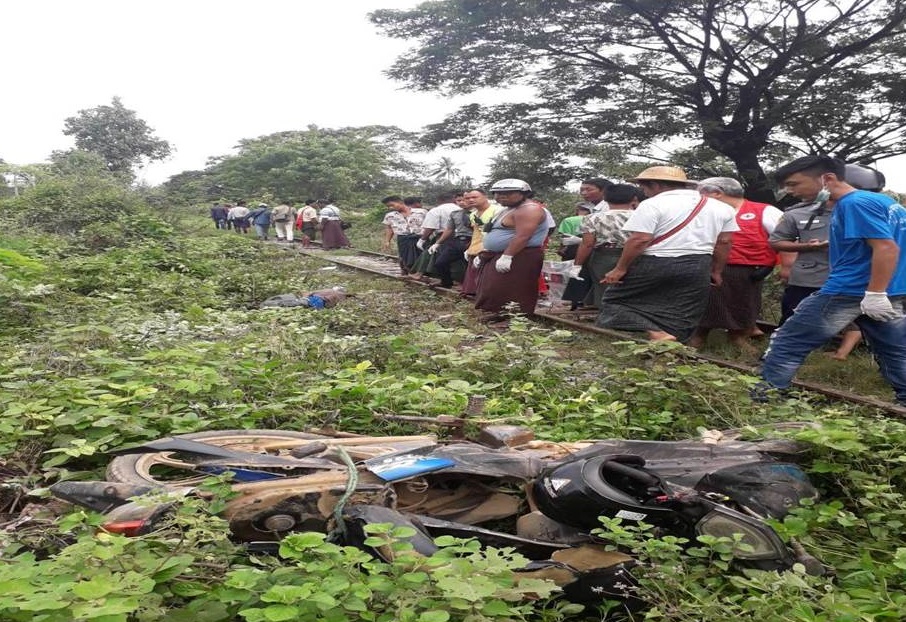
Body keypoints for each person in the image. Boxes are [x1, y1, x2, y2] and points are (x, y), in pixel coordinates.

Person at [758, 156, 906, 406]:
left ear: (827, 178)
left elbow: (886, 247)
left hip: (849, 290)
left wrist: (875, 293)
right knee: (895, 349)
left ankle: (765, 397)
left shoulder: (854, 203)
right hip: (888, 290)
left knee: (788, 341)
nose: (790, 191)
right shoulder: (884, 202)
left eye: (794, 184)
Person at [596, 166, 738, 342]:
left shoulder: (652, 204)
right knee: (684, 310)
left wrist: (620, 269)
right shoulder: (721, 207)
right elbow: (724, 242)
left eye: (644, 187)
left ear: (655, 185)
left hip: (655, 262)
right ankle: (674, 347)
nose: (643, 192)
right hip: (699, 264)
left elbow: (640, 239)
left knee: (614, 302)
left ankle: (657, 333)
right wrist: (716, 271)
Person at [767, 163, 884, 360]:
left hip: (857, 280)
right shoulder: (799, 213)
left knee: (866, 323)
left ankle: (851, 355)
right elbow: (776, 241)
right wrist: (807, 247)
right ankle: (775, 359)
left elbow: (887, 247)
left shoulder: (875, 211)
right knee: (791, 319)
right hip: (810, 278)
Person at [689, 177, 787, 349]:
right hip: (710, 265)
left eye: (702, 193)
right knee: (707, 302)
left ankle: (738, 336)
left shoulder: (764, 211)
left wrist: (783, 266)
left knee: (744, 303)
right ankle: (698, 336)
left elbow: (786, 238)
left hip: (749, 269)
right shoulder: (704, 212)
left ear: (717, 193)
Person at [473, 179, 548, 319]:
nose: (502, 196)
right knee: (496, 287)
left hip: (520, 254)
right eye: (498, 193)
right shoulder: (508, 209)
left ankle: (517, 317)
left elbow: (523, 236)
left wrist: (507, 256)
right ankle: (499, 314)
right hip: (500, 253)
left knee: (516, 287)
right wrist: (486, 250)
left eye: (508, 193)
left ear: (524, 194)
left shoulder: (529, 209)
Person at [571, 184, 641, 310]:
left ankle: (606, 313)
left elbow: (587, 244)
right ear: (634, 199)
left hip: (603, 256)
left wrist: (577, 265)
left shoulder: (592, 218)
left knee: (604, 287)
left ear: (605, 198)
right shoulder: (642, 216)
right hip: (636, 255)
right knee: (634, 287)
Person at [409, 191, 462, 280]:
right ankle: (455, 279)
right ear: (453, 199)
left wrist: (422, 239)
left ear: (439, 200)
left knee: (430, 252)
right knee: (456, 258)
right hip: (460, 236)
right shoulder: (460, 209)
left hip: (443, 236)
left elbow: (430, 227)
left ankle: (419, 274)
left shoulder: (437, 210)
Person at [461, 189, 500, 296]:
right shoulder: (473, 214)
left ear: (485, 196)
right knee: (473, 281)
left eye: (474, 197)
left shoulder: (497, 211)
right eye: (468, 198)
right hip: (476, 248)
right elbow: (476, 232)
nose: (471, 200)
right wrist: (470, 248)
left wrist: (486, 249)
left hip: (492, 248)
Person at [431, 198, 474, 289]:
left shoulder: (478, 213)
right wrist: (437, 243)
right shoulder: (455, 214)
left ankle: (468, 287)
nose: (462, 202)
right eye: (459, 200)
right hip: (458, 240)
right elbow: (449, 229)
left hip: (472, 240)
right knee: (441, 262)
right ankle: (446, 282)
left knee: (469, 265)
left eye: (465, 200)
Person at [381, 195, 427, 274]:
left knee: (422, 256)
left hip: (420, 238)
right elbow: (389, 228)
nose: (390, 208)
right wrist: (387, 241)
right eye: (388, 206)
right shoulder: (390, 216)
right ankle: (408, 273)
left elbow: (429, 225)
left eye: (392, 205)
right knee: (404, 257)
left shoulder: (421, 212)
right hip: (403, 239)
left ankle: (420, 273)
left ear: (400, 202)